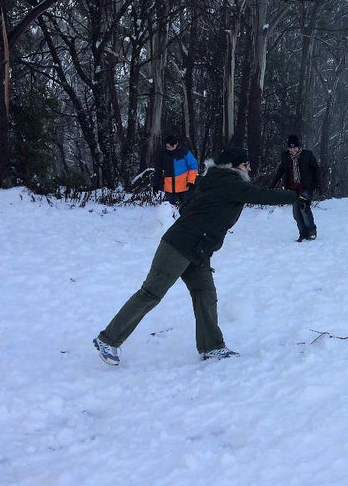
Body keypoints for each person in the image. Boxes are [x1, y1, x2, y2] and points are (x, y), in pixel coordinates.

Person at [93, 147, 299, 366]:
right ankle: (108, 339)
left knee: (205, 293)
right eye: (247, 165)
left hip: (197, 249)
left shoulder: (212, 180)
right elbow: (262, 195)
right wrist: (296, 195)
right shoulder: (230, 181)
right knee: (151, 293)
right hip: (179, 246)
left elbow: (186, 208)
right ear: (237, 166)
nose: (250, 169)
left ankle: (212, 347)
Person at [271, 134, 320, 242]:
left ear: (299, 147)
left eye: (294, 147)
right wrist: (272, 185)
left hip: (305, 187)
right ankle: (302, 233)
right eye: (290, 147)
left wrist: (317, 185)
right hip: (293, 189)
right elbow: (281, 171)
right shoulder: (285, 157)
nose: (292, 150)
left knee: (304, 209)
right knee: (296, 213)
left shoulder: (307, 155)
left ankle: (311, 231)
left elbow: (316, 170)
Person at [153, 134, 199, 208]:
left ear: (176, 144)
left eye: (173, 147)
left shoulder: (185, 152)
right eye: (168, 147)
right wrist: (156, 184)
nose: (171, 149)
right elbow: (158, 170)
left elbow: (193, 167)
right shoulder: (161, 154)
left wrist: (191, 181)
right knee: (169, 212)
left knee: (187, 209)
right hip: (169, 189)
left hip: (185, 187)